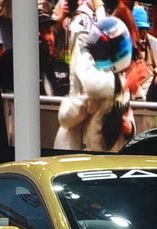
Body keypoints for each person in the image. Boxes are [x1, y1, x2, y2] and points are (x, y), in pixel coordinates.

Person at [56, 16, 134, 151]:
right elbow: (65, 118)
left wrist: (129, 128)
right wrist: (87, 102)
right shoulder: (86, 67)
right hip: (73, 149)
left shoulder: (120, 80)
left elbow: (127, 114)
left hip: (106, 155)